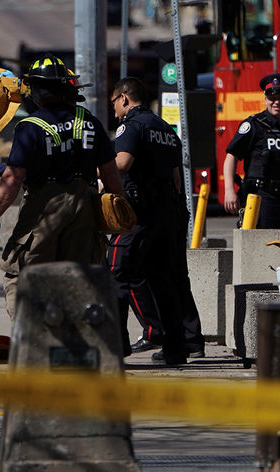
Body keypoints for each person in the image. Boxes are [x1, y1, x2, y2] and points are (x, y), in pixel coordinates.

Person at [0, 55, 123, 320]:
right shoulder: (90, 122)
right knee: (81, 279)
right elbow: (111, 175)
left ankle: (32, 334)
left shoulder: (30, 127)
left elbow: (13, 178)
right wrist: (116, 208)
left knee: (22, 275)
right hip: (85, 212)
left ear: (37, 90)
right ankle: (78, 336)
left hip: (43, 212)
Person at [109, 77, 204, 365]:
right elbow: (176, 179)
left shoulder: (131, 125)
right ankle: (176, 350)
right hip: (167, 212)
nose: (114, 109)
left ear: (124, 98)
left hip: (138, 213)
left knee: (116, 272)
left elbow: (122, 163)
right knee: (165, 280)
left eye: (114, 103)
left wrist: (97, 168)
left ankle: (115, 346)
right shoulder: (165, 129)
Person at [222, 73, 280, 229]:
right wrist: (229, 190)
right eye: (272, 98)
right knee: (259, 241)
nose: (276, 102)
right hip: (260, 198)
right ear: (265, 100)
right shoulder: (254, 125)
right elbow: (231, 156)